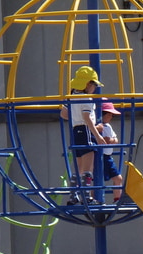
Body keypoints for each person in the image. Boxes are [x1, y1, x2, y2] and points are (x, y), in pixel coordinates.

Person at [61, 66, 106, 205]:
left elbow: (63, 114)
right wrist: (97, 136)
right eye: (94, 85)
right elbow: (87, 118)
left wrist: (75, 117)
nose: (95, 89)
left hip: (75, 131)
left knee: (78, 168)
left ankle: (73, 196)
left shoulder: (72, 95)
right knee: (88, 168)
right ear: (88, 84)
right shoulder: (86, 98)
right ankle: (87, 198)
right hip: (85, 131)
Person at [95, 101, 123, 202]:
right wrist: (108, 140)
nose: (111, 117)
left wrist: (110, 140)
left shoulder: (108, 126)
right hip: (100, 156)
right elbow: (103, 140)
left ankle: (117, 199)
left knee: (118, 178)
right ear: (103, 114)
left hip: (107, 156)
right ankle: (94, 200)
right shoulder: (98, 126)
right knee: (96, 180)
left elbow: (115, 139)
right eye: (109, 115)